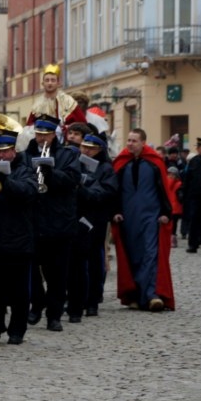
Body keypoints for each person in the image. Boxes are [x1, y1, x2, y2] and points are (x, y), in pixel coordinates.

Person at [0, 128, 37, 345]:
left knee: (19, 290)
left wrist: (5, 181)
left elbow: (28, 192)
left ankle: (17, 330)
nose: (1, 155)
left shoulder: (26, 170)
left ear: (14, 151)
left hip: (18, 240)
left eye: (5, 151)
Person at [25, 114, 81, 332]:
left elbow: (72, 179)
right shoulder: (26, 154)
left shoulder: (67, 154)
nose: (41, 138)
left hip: (59, 223)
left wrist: (51, 174)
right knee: (31, 270)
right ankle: (37, 302)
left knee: (57, 274)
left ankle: (54, 315)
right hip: (33, 221)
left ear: (54, 134)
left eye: (46, 134)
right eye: (38, 134)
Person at [111, 128, 175, 311]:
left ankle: (152, 295)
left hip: (151, 215)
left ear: (143, 143)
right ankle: (135, 295)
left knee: (150, 253)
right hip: (128, 217)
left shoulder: (155, 162)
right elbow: (114, 190)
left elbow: (164, 189)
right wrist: (115, 211)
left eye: (134, 141)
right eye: (128, 140)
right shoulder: (121, 163)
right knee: (132, 254)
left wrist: (166, 212)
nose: (130, 144)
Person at [75, 133, 118, 318]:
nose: (86, 151)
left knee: (93, 261)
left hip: (96, 218)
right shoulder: (76, 163)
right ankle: (77, 298)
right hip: (78, 216)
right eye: (84, 147)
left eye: (90, 149)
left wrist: (85, 192)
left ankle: (93, 300)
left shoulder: (106, 168)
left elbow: (108, 193)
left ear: (99, 150)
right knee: (77, 262)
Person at [25, 64, 87, 135]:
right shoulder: (37, 105)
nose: (50, 83)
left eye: (53, 80)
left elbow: (83, 125)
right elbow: (29, 128)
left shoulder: (68, 101)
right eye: (47, 80)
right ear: (43, 83)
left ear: (58, 83)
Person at [164, 167, 183, 249]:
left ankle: (170, 239)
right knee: (172, 224)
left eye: (172, 174)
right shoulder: (178, 183)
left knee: (171, 224)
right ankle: (171, 239)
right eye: (169, 174)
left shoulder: (165, 183)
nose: (171, 176)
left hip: (172, 207)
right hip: (173, 207)